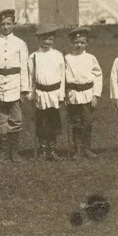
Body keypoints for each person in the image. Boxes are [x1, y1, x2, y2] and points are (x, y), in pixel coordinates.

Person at [0, 9, 29, 163]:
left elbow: (24, 67)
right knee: (0, 119)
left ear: (13, 24)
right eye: (2, 24)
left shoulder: (20, 43)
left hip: (14, 84)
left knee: (15, 118)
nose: (5, 27)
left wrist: (24, 89)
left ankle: (14, 152)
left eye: (8, 24)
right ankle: (3, 151)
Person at [28, 24, 65, 161]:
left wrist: (61, 94)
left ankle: (53, 150)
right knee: (42, 122)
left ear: (53, 40)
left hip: (54, 93)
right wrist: (31, 94)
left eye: (50, 39)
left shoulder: (57, 55)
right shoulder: (34, 57)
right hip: (40, 94)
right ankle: (43, 150)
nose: (47, 42)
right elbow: (31, 76)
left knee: (53, 122)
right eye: (44, 39)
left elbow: (62, 76)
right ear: (38, 39)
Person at [65, 27, 102, 159]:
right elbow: (63, 77)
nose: (79, 45)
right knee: (75, 122)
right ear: (71, 43)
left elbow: (98, 76)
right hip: (73, 95)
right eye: (76, 42)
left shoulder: (91, 58)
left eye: (82, 42)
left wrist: (95, 95)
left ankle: (86, 148)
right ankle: (77, 150)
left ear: (87, 43)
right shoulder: (67, 58)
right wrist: (65, 94)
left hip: (87, 95)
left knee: (87, 122)